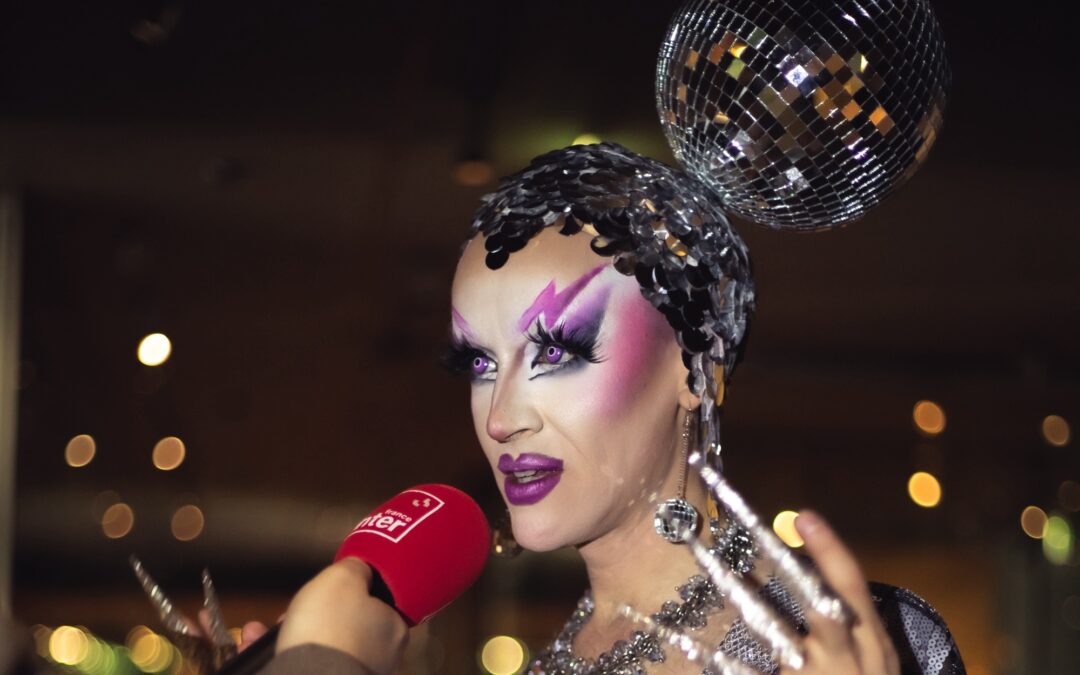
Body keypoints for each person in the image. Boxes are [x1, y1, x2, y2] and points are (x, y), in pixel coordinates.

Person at [447, 142, 966, 675]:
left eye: (555, 351)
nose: (501, 419)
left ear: (696, 367)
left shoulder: (860, 646)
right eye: (480, 364)